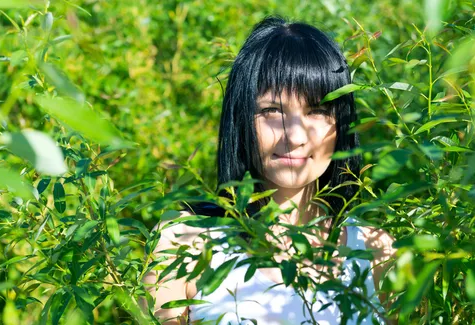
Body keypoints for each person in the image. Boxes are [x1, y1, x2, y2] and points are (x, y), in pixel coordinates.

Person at [142, 16, 396, 325]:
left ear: (341, 124)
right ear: (241, 118)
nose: (296, 136)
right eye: (271, 111)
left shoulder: (376, 249)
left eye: (317, 111)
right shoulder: (184, 242)